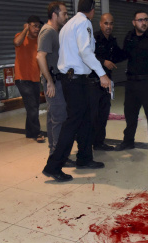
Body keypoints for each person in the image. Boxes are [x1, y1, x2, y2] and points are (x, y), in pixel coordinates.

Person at [42, 0, 112, 182]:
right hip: (75, 81)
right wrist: (102, 74)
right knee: (72, 122)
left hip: (73, 79)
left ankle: (84, 158)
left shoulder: (68, 24)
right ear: (92, 10)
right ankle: (54, 166)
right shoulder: (84, 23)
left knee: (86, 119)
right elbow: (85, 52)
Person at [113, 10, 148, 155]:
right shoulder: (129, 37)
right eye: (140, 20)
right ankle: (128, 141)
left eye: (146, 19)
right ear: (134, 22)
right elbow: (124, 54)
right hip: (131, 82)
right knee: (130, 114)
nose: (143, 22)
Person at [36, 1, 70, 158]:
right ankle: (58, 156)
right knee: (59, 118)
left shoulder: (56, 31)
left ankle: (54, 152)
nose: (67, 16)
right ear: (55, 15)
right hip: (53, 82)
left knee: (53, 117)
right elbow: (40, 56)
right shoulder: (48, 31)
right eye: (64, 13)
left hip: (57, 80)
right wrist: (49, 81)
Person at [90, 13, 127, 151]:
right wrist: (103, 62)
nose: (109, 26)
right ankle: (88, 144)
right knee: (92, 115)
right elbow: (86, 55)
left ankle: (99, 143)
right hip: (93, 81)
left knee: (103, 113)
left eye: (111, 24)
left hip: (107, 82)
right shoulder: (93, 38)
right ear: (100, 24)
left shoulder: (112, 40)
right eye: (106, 23)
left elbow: (118, 55)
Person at [13, 15, 45, 143]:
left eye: (38, 26)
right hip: (22, 78)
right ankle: (37, 133)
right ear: (27, 25)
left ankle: (29, 132)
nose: (37, 29)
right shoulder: (20, 36)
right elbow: (16, 43)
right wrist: (25, 30)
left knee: (34, 106)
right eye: (34, 26)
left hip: (35, 78)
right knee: (32, 106)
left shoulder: (39, 40)